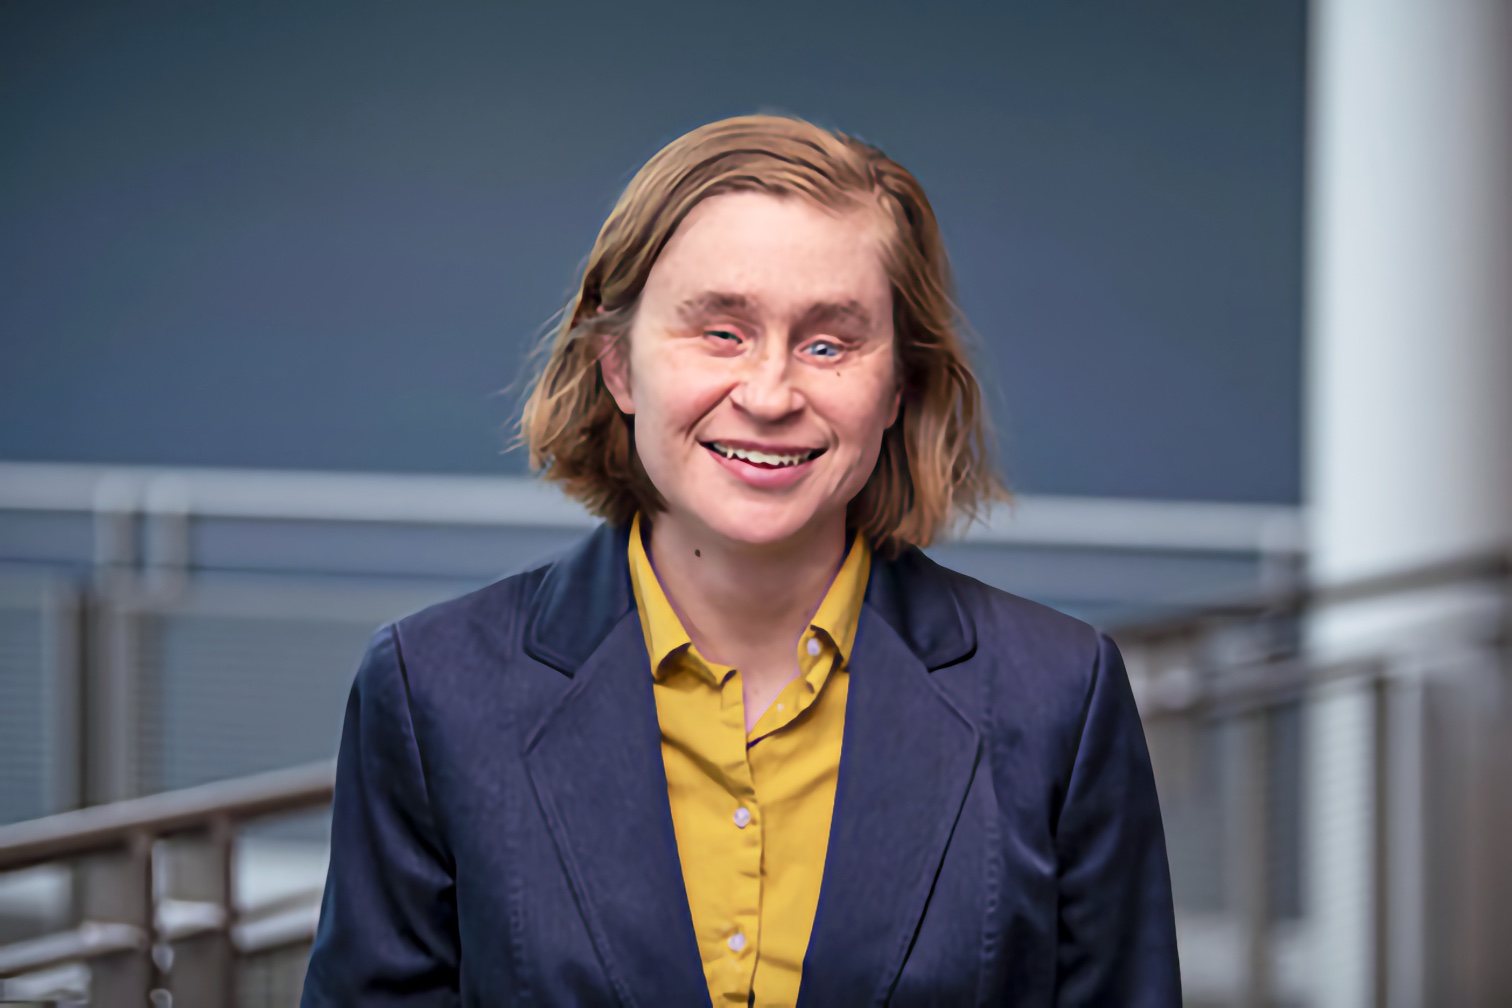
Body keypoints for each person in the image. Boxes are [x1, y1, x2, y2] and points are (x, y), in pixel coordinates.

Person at [301, 114, 1179, 1007]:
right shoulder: (431, 693)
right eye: (721, 332)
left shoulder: (1060, 697)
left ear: (897, 387)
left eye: (829, 343)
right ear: (618, 366)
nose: (769, 394)